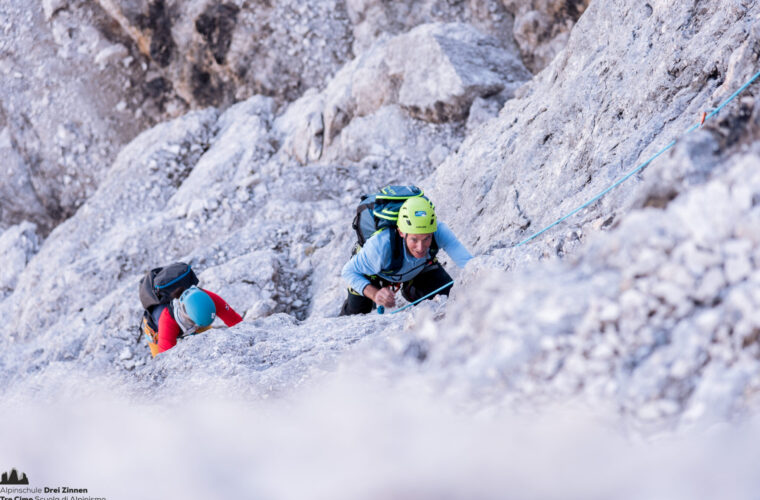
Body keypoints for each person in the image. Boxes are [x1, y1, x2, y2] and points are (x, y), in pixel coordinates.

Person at [340, 196, 473, 315]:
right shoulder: (381, 245)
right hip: (373, 273)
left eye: (427, 239)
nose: (421, 248)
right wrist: (375, 294)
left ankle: (411, 291)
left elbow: (468, 263)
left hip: (417, 270)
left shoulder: (438, 230)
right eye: (414, 239)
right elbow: (348, 271)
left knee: (448, 298)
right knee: (356, 311)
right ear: (402, 232)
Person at [147, 285, 243, 356]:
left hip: (196, 319)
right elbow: (165, 362)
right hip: (157, 331)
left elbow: (238, 323)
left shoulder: (208, 299)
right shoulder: (168, 320)